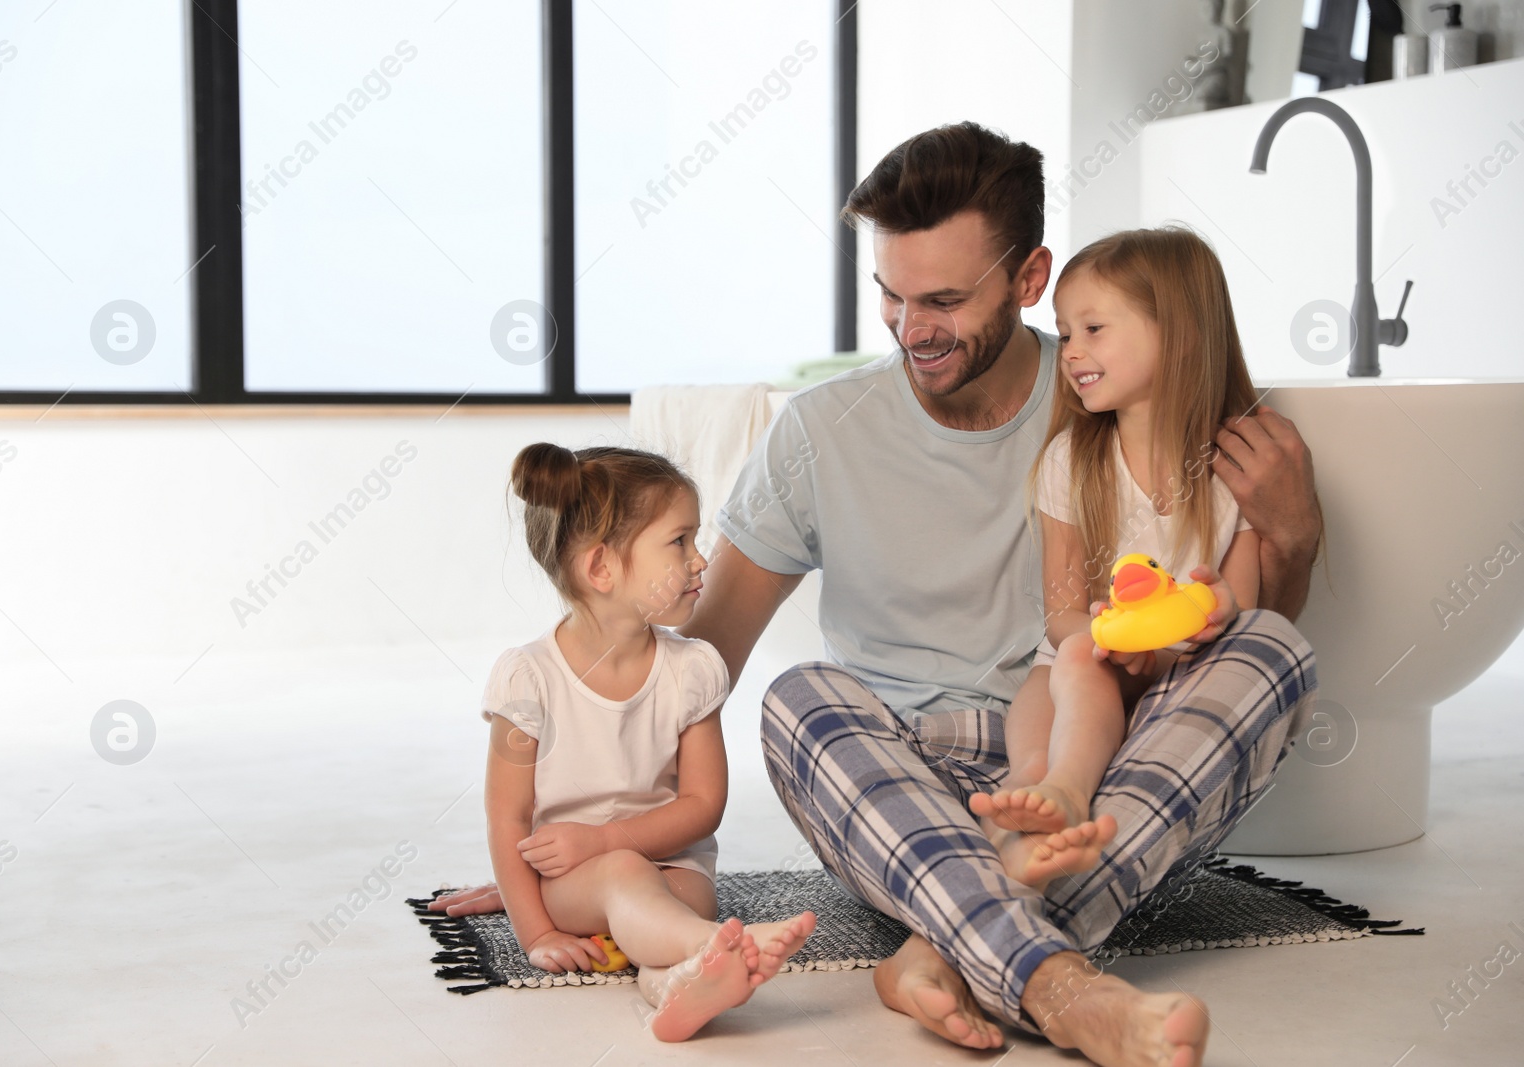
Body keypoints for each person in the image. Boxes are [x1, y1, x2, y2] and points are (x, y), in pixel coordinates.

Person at [440, 123, 1323, 1067]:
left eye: (943, 299)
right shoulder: (824, 431)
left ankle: (978, 961)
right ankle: (1052, 973)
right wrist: (573, 837)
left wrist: (1294, 533)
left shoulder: (1108, 396)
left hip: (1091, 769)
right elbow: (697, 655)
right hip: (897, 778)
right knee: (800, 697)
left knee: (1273, 648)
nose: (912, 329)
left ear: (1031, 278)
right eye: (891, 297)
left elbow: (1218, 629)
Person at [445, 442, 815, 1042]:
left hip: (675, 871)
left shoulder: (693, 670)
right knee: (619, 871)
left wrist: (609, 837)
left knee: (656, 907)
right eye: (680, 542)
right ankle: (719, 945)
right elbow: (506, 814)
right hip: (574, 883)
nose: (702, 562)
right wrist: (535, 931)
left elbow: (702, 805)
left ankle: (680, 985)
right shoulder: (527, 678)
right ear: (602, 569)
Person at [973, 227, 1273, 890]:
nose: (1070, 350)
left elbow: (1246, 612)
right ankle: (1040, 815)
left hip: (1178, 680)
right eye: (1064, 330)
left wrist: (1207, 612)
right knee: (1055, 704)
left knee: (1244, 652)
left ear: (1180, 334)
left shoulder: (1233, 473)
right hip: (1085, 666)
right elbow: (1060, 615)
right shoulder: (1071, 463)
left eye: (1092, 328)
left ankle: (1062, 805)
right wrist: (1110, 640)